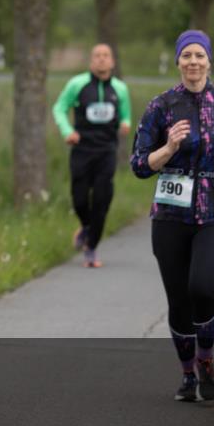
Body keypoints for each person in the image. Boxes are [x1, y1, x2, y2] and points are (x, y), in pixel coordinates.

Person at [131, 30, 214, 403]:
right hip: (170, 214)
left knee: (202, 287)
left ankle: (206, 361)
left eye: (200, 55)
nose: (193, 62)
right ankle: (187, 375)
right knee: (178, 300)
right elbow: (139, 164)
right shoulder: (161, 106)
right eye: (187, 56)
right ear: (178, 62)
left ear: (209, 61)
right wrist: (168, 147)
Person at [51, 44, 132, 267]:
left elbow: (125, 113)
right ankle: (87, 227)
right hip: (82, 149)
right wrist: (68, 131)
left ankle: (91, 248)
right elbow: (59, 108)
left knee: (102, 198)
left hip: (107, 150)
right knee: (79, 198)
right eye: (97, 56)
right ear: (91, 61)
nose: (101, 60)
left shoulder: (120, 88)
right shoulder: (77, 84)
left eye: (106, 56)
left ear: (112, 62)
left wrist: (126, 123)